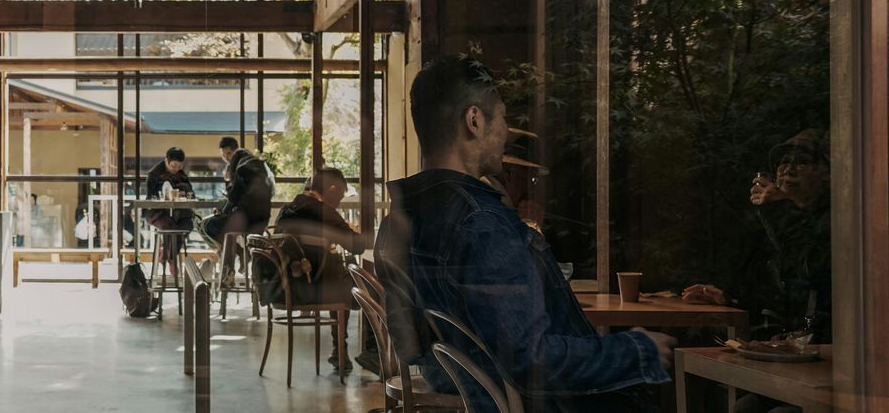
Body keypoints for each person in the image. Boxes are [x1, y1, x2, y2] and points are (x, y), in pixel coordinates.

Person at [376, 55, 674, 412]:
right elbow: (531, 360)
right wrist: (637, 349)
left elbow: (409, 345)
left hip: (467, 395)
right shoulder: (483, 224)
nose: (506, 131)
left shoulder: (400, 215)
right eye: (502, 116)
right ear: (474, 120)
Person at [683, 129, 831, 343]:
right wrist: (728, 298)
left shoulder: (835, 220)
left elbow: (811, 272)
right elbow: (776, 293)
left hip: (822, 345)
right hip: (783, 339)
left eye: (802, 162)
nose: (788, 169)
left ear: (825, 172)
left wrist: (777, 208)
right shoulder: (777, 222)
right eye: (783, 161)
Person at [273, 167, 376, 372]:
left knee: (337, 277)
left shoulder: (286, 209)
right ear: (332, 189)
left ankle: (340, 351)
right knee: (373, 290)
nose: (339, 201)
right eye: (340, 195)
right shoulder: (323, 212)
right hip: (314, 288)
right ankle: (373, 353)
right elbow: (356, 246)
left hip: (288, 288)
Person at [200, 136, 275, 244]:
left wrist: (223, 212)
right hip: (263, 220)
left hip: (247, 222)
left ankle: (235, 253)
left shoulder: (242, 170)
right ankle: (233, 254)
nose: (226, 158)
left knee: (209, 225)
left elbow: (233, 198)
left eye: (229, 154)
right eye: (223, 155)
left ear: (235, 152)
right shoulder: (257, 166)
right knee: (223, 227)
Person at [145, 148, 196, 276]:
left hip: (178, 213)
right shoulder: (154, 175)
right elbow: (151, 197)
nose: (176, 169)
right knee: (170, 227)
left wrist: (184, 190)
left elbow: (191, 193)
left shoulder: (182, 175)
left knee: (187, 225)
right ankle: (172, 260)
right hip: (157, 213)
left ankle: (165, 255)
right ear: (166, 160)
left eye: (179, 166)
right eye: (173, 165)